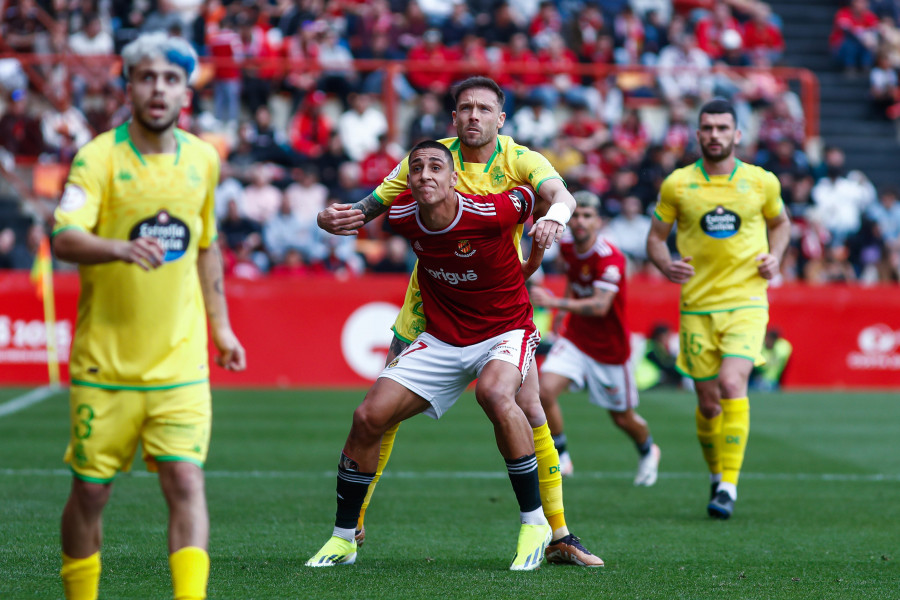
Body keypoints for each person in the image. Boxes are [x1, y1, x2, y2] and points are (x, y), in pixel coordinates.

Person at [317, 76, 603, 566]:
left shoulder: (519, 159)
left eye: (484, 109)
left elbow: (561, 193)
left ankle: (555, 532)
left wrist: (554, 216)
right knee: (379, 414)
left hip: (497, 302)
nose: (474, 116)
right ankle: (353, 524)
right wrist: (344, 217)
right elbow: (374, 204)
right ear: (454, 117)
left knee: (527, 406)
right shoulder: (430, 158)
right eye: (465, 108)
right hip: (431, 297)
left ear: (500, 118)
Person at [51, 33, 246, 600]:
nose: (158, 89)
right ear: (128, 85)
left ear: (186, 91)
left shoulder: (204, 158)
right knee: (91, 493)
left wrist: (222, 327)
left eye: (170, 79)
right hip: (103, 366)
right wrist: (116, 248)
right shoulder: (97, 157)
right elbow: (63, 236)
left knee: (186, 479)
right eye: (146, 77)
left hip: (179, 364)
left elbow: (206, 244)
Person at [646, 97, 790, 520]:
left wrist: (776, 256)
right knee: (708, 403)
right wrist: (663, 261)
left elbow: (781, 224)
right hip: (696, 306)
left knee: (732, 383)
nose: (715, 135)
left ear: (737, 134)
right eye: (707, 128)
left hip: (747, 301)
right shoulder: (678, 184)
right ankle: (716, 476)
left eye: (723, 128)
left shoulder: (762, 182)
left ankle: (729, 485)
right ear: (698, 134)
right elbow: (655, 237)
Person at [530, 191, 661, 486]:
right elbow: (576, 283)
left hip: (609, 349)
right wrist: (563, 316)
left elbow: (601, 307)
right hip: (576, 338)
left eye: (587, 216)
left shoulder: (610, 258)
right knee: (544, 391)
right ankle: (562, 456)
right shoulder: (567, 248)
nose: (580, 222)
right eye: (575, 215)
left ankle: (648, 449)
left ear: (598, 222)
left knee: (622, 418)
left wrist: (555, 305)